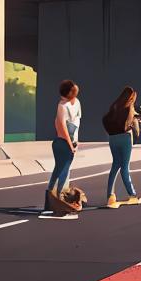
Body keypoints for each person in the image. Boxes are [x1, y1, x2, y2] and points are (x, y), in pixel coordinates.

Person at [102, 86, 141, 207]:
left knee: (115, 166)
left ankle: (110, 196)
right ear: (131, 98)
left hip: (113, 139)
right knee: (125, 167)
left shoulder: (115, 106)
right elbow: (138, 124)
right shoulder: (130, 108)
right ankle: (132, 195)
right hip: (125, 139)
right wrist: (138, 122)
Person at [46, 80, 81, 214]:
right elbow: (61, 126)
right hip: (62, 142)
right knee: (62, 169)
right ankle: (57, 196)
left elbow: (75, 123)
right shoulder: (62, 106)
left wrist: (76, 142)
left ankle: (54, 195)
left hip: (69, 142)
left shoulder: (75, 103)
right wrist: (70, 143)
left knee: (61, 169)